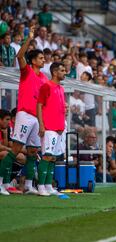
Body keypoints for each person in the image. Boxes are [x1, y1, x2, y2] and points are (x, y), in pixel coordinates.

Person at [0, 26, 48, 196]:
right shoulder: (26, 72)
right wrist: (29, 38)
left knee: (33, 152)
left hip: (36, 118)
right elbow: (19, 56)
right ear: (33, 60)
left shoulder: (44, 78)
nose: (44, 60)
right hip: (24, 115)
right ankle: (2, 183)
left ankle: (28, 185)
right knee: (15, 149)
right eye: (41, 58)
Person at [37, 62, 66, 196]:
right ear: (55, 72)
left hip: (59, 128)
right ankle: (41, 186)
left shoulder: (61, 88)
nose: (65, 72)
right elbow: (39, 105)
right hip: (49, 127)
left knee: (53, 157)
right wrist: (41, 124)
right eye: (62, 70)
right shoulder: (46, 86)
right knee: (47, 156)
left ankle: (48, 185)